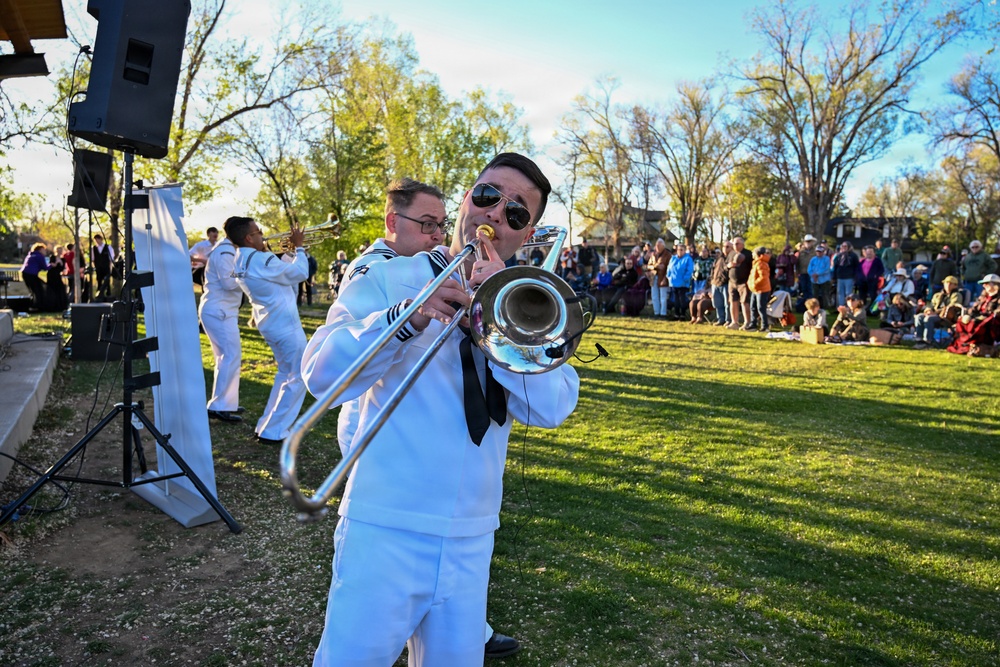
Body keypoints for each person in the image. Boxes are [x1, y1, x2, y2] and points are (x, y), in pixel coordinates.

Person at [302, 153, 579, 666]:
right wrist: (403, 321)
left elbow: (554, 406)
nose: (497, 215)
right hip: (385, 523)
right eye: (489, 195)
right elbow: (320, 373)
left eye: (516, 212)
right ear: (467, 198)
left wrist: (504, 325)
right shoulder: (391, 276)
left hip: (472, 534)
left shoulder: (529, 299)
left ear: (527, 232)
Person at [230, 216, 309, 444]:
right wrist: (300, 247)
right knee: (298, 376)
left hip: (269, 322)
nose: (263, 234)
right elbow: (299, 274)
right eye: (258, 232)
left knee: (285, 373)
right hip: (284, 325)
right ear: (248, 238)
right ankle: (275, 431)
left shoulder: (241, 258)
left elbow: (281, 272)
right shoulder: (260, 260)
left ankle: (267, 425)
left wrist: (291, 252)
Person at [199, 221, 245, 423]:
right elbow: (229, 282)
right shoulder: (226, 252)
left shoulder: (226, 250)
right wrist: (248, 271)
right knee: (231, 356)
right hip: (220, 311)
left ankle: (224, 403)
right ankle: (219, 405)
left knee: (226, 358)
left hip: (220, 310)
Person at [948, 273, 1000, 354]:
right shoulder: (983, 296)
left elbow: (997, 311)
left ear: (995, 284)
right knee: (961, 321)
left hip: (992, 320)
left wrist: (984, 316)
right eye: (984, 284)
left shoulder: (998, 297)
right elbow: (975, 308)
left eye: (986, 284)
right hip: (979, 317)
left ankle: (973, 343)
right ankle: (964, 344)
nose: (984, 286)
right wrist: (969, 314)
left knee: (976, 323)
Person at [913, 275, 963, 349]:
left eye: (950, 283)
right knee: (919, 317)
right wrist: (928, 310)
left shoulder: (957, 295)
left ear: (955, 285)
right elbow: (930, 305)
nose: (947, 285)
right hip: (934, 314)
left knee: (928, 319)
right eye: (946, 283)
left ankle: (928, 341)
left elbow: (952, 307)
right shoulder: (937, 295)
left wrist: (935, 313)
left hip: (946, 317)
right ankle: (919, 340)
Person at [725, 237, 753, 329]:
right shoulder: (731, 253)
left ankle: (747, 322)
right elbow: (725, 266)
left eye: (737, 244)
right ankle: (734, 322)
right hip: (732, 282)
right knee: (733, 302)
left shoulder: (748, 254)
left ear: (742, 244)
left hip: (743, 282)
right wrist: (729, 266)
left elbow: (752, 268)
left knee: (744, 302)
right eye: (733, 244)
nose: (735, 246)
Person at [666, 243, 694, 319]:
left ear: (685, 251)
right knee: (675, 300)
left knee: (682, 300)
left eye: (681, 250)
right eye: (678, 249)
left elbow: (689, 270)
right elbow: (669, 268)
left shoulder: (688, 259)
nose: (680, 251)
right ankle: (676, 314)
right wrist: (668, 276)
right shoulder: (673, 258)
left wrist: (685, 279)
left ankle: (682, 314)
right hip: (673, 282)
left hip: (683, 284)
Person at [748, 247, 772, 332]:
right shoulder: (756, 263)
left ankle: (765, 326)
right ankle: (753, 324)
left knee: (761, 308)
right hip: (756, 289)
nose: (752, 255)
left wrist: (754, 284)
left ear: (757, 254)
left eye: (753, 253)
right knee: (753, 307)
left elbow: (763, 277)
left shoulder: (762, 263)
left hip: (762, 289)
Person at [20, 242, 48, 309]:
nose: (45, 251)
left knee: (33, 290)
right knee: (38, 290)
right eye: (44, 249)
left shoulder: (30, 255)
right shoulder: (39, 256)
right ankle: (38, 306)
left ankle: (33, 304)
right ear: (40, 250)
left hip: (25, 274)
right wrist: (52, 265)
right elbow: (45, 267)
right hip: (32, 274)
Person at [832, 241, 859, 307]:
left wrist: (855, 277)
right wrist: (834, 276)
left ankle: (848, 306)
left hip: (849, 277)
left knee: (848, 293)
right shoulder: (839, 255)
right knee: (840, 293)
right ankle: (841, 306)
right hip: (840, 277)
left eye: (845, 246)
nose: (843, 248)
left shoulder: (853, 256)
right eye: (842, 246)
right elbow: (835, 266)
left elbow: (857, 267)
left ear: (849, 247)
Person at [710, 242, 731, 326]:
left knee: (727, 304)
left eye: (727, 247)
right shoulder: (719, 258)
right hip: (715, 283)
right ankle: (720, 319)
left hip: (725, 283)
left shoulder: (731, 257)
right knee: (718, 304)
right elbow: (713, 270)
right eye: (724, 247)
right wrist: (712, 280)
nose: (725, 248)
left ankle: (728, 320)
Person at [647, 238, 669, 318]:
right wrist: (656, 266)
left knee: (663, 297)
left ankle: (663, 313)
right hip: (653, 277)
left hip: (663, 277)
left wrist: (666, 279)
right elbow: (648, 266)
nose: (657, 247)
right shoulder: (653, 255)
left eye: (659, 245)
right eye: (656, 245)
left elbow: (669, 268)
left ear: (663, 246)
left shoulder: (668, 255)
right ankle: (656, 312)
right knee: (654, 296)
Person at [91, 233, 115, 300]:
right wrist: (95, 266)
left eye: (98, 239)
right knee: (99, 280)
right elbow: (93, 259)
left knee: (107, 281)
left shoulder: (108, 247)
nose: (97, 241)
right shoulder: (94, 248)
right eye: (95, 240)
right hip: (98, 268)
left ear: (101, 239)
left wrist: (110, 267)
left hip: (106, 267)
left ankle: (108, 294)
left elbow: (111, 258)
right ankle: (99, 295)